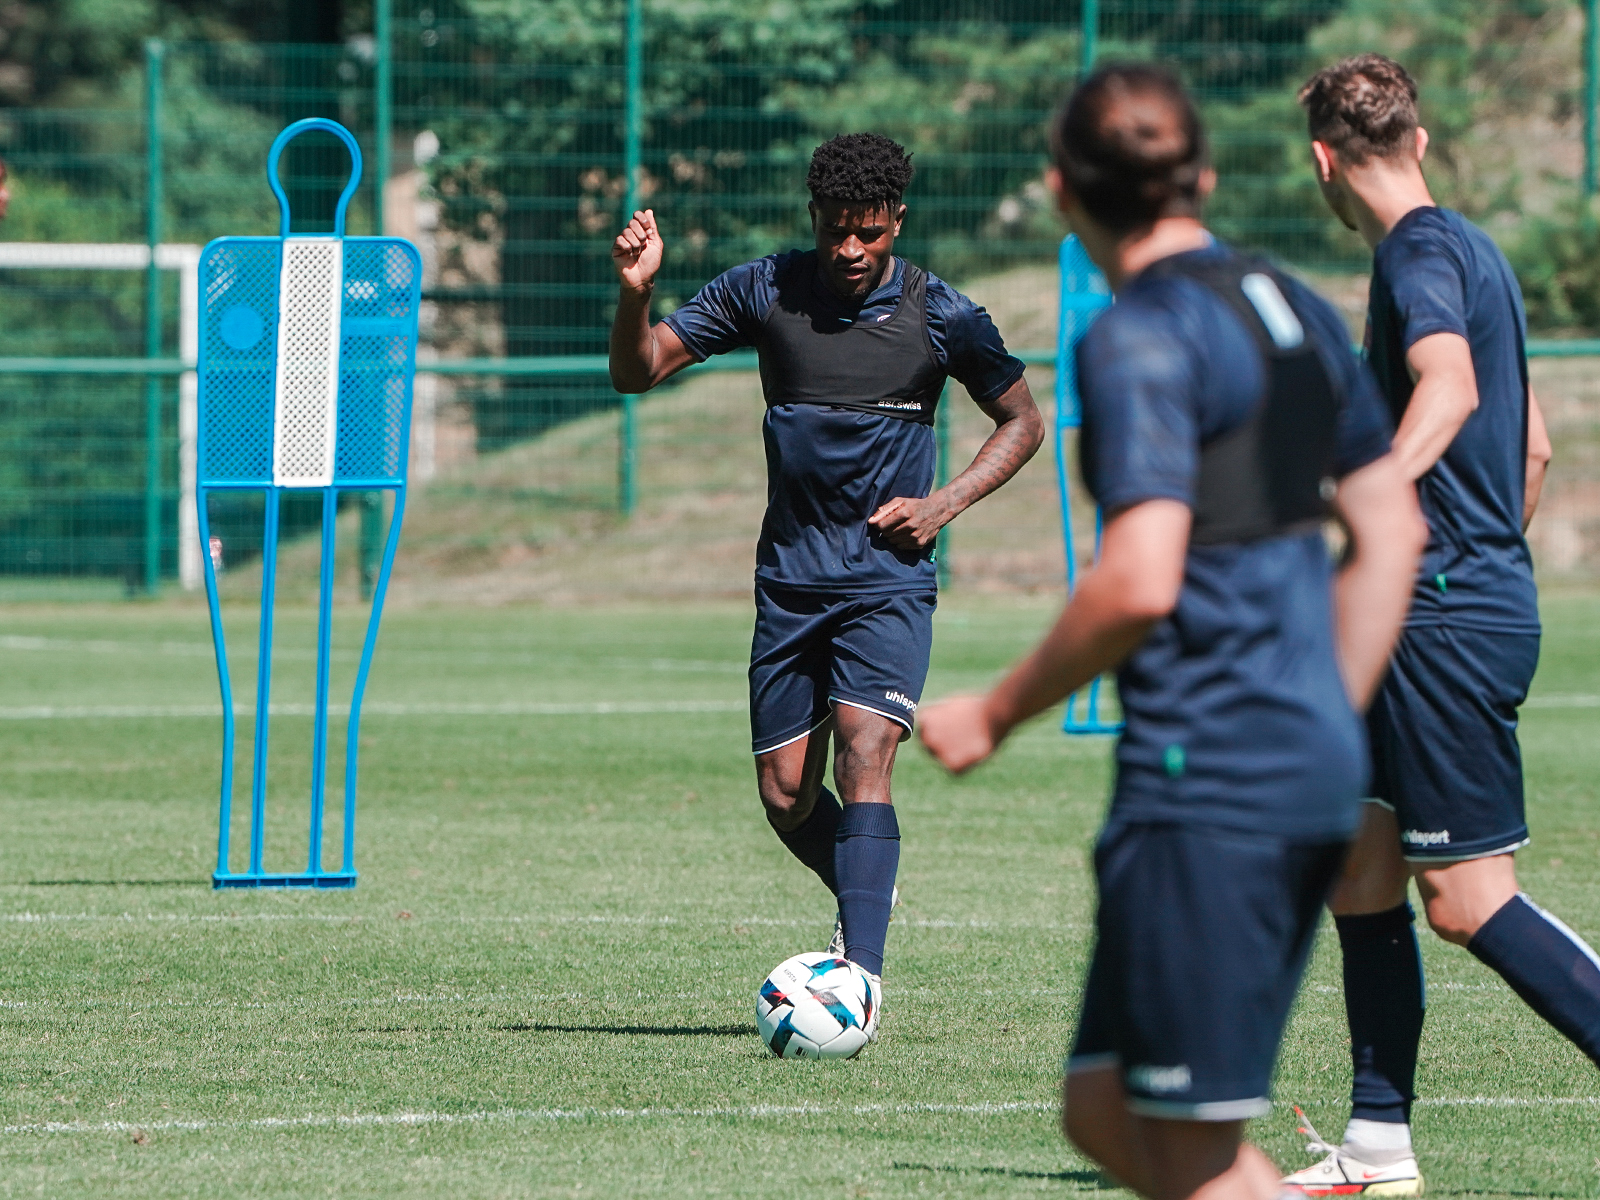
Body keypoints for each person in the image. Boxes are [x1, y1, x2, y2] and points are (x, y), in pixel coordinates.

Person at [918, 64, 1424, 1200]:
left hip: (1215, 773)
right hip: (1282, 757)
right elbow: (1391, 525)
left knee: (1185, 1146)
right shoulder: (1289, 300)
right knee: (1104, 1107)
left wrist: (993, 712)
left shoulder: (1138, 334)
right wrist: (1324, 710)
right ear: (1201, 172)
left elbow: (1139, 579)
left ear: (1060, 191)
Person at [608, 133, 1044, 1009]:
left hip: (886, 577)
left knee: (866, 750)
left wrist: (944, 503)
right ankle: (865, 877)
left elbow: (1023, 422)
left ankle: (861, 978)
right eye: (837, 230)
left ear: (897, 223)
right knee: (784, 795)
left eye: (870, 234)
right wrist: (637, 296)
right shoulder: (765, 289)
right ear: (815, 218)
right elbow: (637, 372)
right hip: (791, 580)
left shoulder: (944, 314)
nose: (851, 250)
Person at [1281, 54, 1591, 1197]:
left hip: (1437, 614)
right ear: (1416, 138)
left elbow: (1450, 394)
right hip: (1440, 602)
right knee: (1356, 860)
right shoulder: (1467, 248)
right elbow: (1536, 446)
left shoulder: (1411, 256)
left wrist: (1394, 515)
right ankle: (1376, 1147)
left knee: (1465, 902)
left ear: (1322, 162)